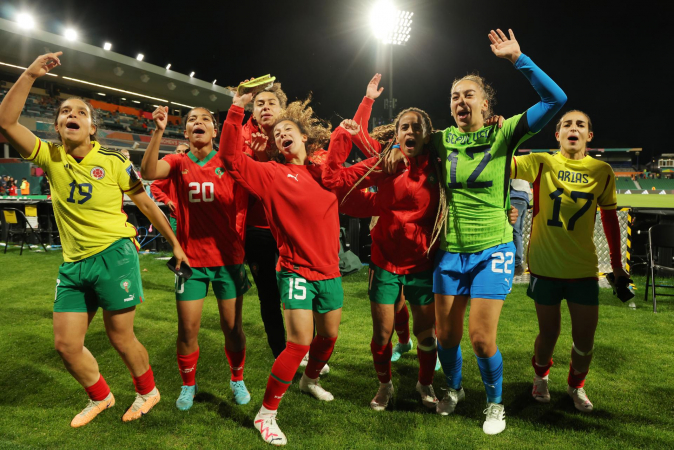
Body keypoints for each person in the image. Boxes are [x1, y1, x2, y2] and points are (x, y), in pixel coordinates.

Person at [0, 52, 188, 427]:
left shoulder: (116, 162)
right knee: (66, 345)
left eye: (81, 112)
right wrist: (32, 73)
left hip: (114, 254)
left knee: (120, 337)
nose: (72, 114)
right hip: (73, 264)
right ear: (58, 124)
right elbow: (5, 122)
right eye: (65, 111)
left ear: (92, 128)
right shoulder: (51, 156)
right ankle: (100, 397)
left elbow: (148, 206)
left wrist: (177, 244)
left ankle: (148, 391)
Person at [431, 29, 566, 435]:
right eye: (455, 95)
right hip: (450, 252)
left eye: (469, 94)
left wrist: (517, 59)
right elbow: (398, 142)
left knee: (480, 339)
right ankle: (453, 388)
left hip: (493, 248)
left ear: (487, 104)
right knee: (446, 338)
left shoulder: (503, 132)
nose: (461, 101)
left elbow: (555, 100)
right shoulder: (440, 140)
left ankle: (495, 403)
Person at [220, 90, 343, 446]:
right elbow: (229, 157)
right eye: (277, 134)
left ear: (304, 136)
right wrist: (235, 109)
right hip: (296, 270)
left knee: (328, 337)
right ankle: (267, 414)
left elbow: (350, 165)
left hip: (330, 271)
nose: (281, 135)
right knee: (298, 344)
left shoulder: (324, 173)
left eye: (288, 130)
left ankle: (310, 380)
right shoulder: (271, 173)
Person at [322, 75, 443, 412]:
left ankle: (425, 383)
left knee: (426, 333)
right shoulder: (385, 162)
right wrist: (350, 125)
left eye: (417, 127)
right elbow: (334, 178)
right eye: (404, 126)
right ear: (396, 133)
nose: (410, 132)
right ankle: (385, 386)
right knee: (381, 334)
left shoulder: (439, 163)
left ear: (427, 135)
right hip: (385, 260)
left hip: (422, 261)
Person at [511, 110, 628, 412]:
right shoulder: (541, 161)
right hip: (545, 267)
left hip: (583, 269)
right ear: (557, 135)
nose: (572, 128)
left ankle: (576, 385)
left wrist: (616, 265)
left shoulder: (602, 171)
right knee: (549, 333)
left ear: (589, 136)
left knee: (585, 340)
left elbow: (611, 219)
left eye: (580, 125)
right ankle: (540, 377)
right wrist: (507, 130)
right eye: (566, 125)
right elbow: (503, 166)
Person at [141, 105, 251, 411]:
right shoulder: (177, 161)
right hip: (190, 263)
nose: (198, 123)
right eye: (192, 120)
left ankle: (237, 378)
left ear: (215, 131)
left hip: (229, 261)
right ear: (186, 132)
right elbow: (148, 173)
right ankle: (188, 385)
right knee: (187, 329)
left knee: (232, 328)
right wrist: (158, 130)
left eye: (205, 120)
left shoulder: (229, 162)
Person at [241, 84, 289, 358]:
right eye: (260, 103)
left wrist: (262, 158)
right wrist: (255, 157)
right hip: (257, 229)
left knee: (299, 289)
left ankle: (303, 348)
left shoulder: (292, 135)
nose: (266, 107)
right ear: (254, 112)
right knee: (268, 295)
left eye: (272, 102)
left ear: (282, 109)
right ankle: (280, 352)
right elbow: (245, 182)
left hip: (289, 229)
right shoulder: (242, 138)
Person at [150, 143, 188, 235]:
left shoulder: (196, 169)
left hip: (195, 217)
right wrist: (167, 200)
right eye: (178, 151)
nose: (181, 153)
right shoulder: (171, 171)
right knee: (179, 247)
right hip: (177, 217)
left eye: (184, 151)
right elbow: (154, 186)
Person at [509, 178, 530, 275]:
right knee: (518, 233)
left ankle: (516, 264)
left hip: (515, 196)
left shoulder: (513, 165)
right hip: (524, 198)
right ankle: (518, 263)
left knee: (515, 232)